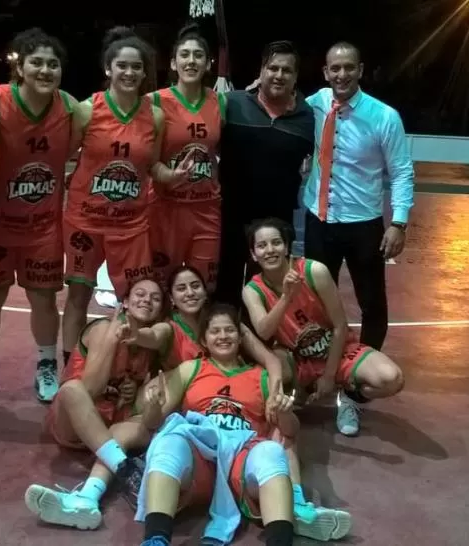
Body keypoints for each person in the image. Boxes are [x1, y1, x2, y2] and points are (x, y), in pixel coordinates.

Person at [23, 267, 283, 530]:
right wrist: (128, 336)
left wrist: (275, 395)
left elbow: (272, 360)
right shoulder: (159, 329)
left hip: (188, 413)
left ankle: (292, 499)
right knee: (87, 401)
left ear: (206, 292)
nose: (190, 293)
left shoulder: (222, 324)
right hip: (115, 416)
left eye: (195, 286)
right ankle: (108, 483)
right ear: (171, 298)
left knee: (280, 432)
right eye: (181, 288)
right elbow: (152, 337)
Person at [135, 304, 351, 545]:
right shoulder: (191, 369)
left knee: (271, 451)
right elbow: (152, 423)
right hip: (201, 460)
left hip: (241, 460)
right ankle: (155, 539)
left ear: (240, 337)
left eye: (229, 330)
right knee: (169, 441)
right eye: (215, 331)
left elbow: (290, 432)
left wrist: (284, 413)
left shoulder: (263, 377)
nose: (223, 336)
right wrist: (153, 407)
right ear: (204, 340)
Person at [0, 29, 85, 410]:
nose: (45, 70)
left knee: (44, 300)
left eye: (53, 63)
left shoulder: (71, 109)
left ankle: (47, 364)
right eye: (37, 62)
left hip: (44, 227)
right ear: (20, 65)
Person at [62, 26, 194, 368]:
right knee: (78, 295)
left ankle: (135, 368)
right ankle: (70, 365)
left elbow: (154, 167)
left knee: (140, 298)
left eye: (137, 67)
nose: (130, 72)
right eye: (122, 65)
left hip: (131, 224)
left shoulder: (155, 116)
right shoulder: (87, 110)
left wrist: (173, 176)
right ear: (108, 68)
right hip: (84, 220)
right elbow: (62, 156)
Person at [242, 217, 404, 436]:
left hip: (338, 350)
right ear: (253, 254)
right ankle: (299, 391)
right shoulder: (252, 290)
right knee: (266, 375)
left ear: (287, 246)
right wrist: (286, 297)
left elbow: (340, 325)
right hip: (298, 357)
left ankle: (347, 396)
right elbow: (264, 331)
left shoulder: (313, 271)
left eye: (276, 243)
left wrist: (329, 376)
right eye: (262, 246)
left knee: (392, 379)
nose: (270, 250)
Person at [25, 278, 164, 528]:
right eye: (140, 294)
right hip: (75, 424)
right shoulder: (103, 330)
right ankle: (125, 469)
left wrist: (135, 389)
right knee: (71, 390)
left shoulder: (148, 344)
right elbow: (91, 389)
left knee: (147, 420)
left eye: (155, 298)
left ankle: (94, 491)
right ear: (124, 302)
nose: (146, 300)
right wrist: (113, 339)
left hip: (109, 428)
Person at [302, 42, 414, 351]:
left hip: (363, 226)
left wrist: (399, 223)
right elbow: (280, 102)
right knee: (315, 300)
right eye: (335, 68)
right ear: (326, 72)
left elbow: (402, 171)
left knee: (372, 303)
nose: (342, 74)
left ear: (360, 70)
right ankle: (319, 362)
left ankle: (364, 371)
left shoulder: (384, 117)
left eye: (349, 67)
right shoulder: (314, 103)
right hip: (319, 221)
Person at [214, 40, 314, 308]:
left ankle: (260, 347)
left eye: (287, 70)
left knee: (266, 294)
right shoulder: (231, 104)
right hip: (230, 218)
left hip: (277, 222)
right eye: (273, 68)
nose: (279, 75)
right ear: (261, 71)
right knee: (225, 290)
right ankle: (226, 346)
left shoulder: (308, 117)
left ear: (295, 77)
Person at [148, 23, 224, 289]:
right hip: (165, 207)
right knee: (161, 285)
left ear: (208, 65)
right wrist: (170, 175)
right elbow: (149, 163)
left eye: (198, 55)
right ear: (173, 63)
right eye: (184, 55)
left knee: (204, 287)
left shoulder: (221, 103)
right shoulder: (154, 102)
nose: (191, 61)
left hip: (206, 208)